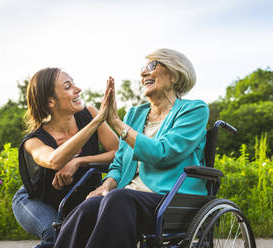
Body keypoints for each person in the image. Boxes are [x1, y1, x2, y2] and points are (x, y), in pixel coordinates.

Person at [54, 48, 209, 248]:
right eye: (142, 69)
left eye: (151, 66)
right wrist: (107, 184)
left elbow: (163, 153)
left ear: (174, 74)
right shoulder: (135, 115)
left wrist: (117, 124)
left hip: (171, 199)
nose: (143, 73)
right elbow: (119, 163)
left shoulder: (194, 110)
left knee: (119, 199)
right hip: (128, 197)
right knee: (89, 207)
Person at [12, 68, 119, 248]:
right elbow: (54, 161)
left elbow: (118, 152)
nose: (78, 90)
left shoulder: (89, 114)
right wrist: (96, 122)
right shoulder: (34, 141)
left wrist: (78, 161)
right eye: (68, 87)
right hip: (36, 200)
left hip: (74, 199)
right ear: (51, 101)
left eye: (73, 83)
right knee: (56, 235)